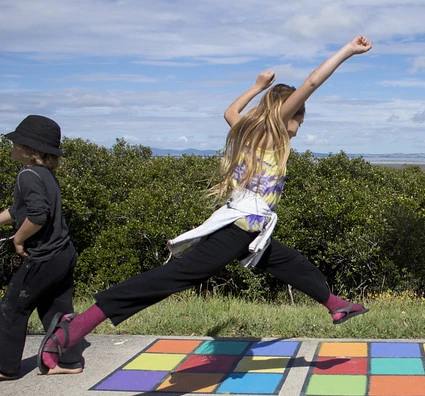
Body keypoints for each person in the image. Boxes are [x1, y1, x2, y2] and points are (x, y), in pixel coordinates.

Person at [37, 35, 372, 373]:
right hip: (242, 226)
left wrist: (256, 86)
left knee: (291, 263)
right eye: (300, 117)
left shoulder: (247, 129)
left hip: (246, 227)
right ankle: (74, 329)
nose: (300, 126)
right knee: (173, 277)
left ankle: (336, 304)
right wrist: (347, 51)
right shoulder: (271, 132)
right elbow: (313, 81)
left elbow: (229, 111)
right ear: (287, 112)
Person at [0, 115, 85, 379]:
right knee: (56, 309)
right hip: (63, 253)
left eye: (16, 142)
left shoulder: (27, 174)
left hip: (46, 256)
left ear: (28, 148)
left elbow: (37, 216)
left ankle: (5, 367)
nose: (12, 146)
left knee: (12, 307)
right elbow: (19, 210)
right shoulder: (44, 174)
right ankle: (69, 362)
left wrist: (18, 239)